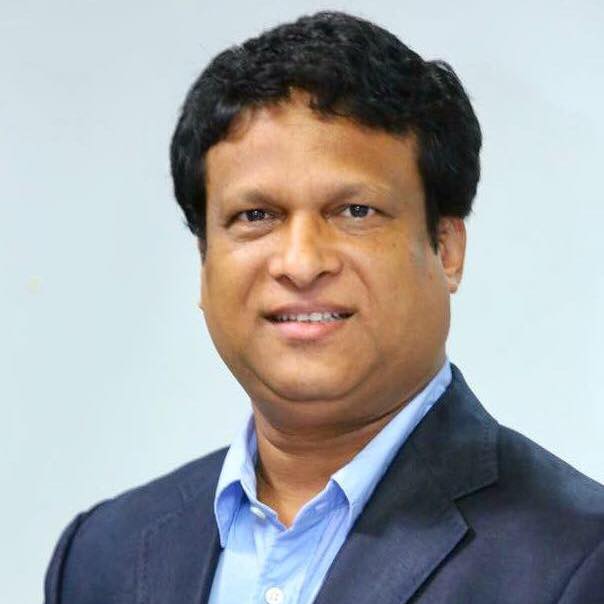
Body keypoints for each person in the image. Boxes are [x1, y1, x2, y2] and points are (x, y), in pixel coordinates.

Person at [44, 10, 604, 604]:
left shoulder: (576, 560)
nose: (301, 262)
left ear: (446, 249)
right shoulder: (102, 555)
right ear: (204, 261)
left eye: (355, 212)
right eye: (255, 216)